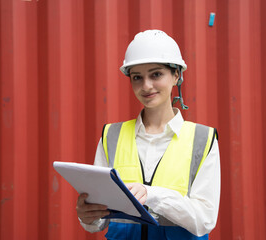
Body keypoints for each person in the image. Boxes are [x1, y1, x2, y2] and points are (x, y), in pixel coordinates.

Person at [76, 30, 220, 240]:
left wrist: (152, 195)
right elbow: (99, 221)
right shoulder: (111, 136)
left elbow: (204, 220)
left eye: (156, 74)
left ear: (176, 75)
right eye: (137, 77)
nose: (146, 86)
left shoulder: (202, 139)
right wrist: (88, 217)